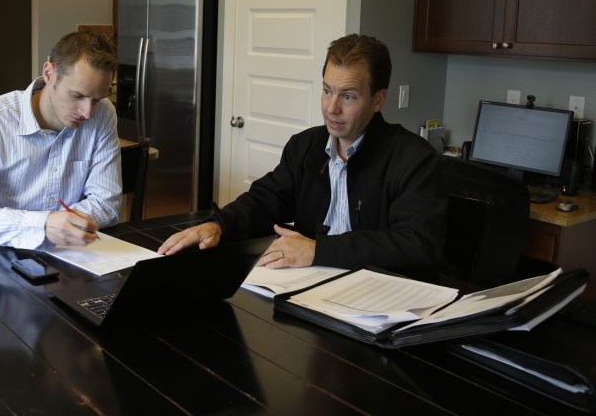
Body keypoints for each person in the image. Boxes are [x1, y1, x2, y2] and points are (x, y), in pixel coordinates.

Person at [158, 34, 446, 276]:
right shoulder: (305, 146)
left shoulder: (413, 159)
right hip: (309, 288)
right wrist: (219, 225)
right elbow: (264, 201)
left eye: (348, 96)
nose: (331, 108)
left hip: (377, 297)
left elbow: (416, 245)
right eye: (326, 91)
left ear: (378, 100)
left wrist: (318, 250)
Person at [0, 31, 121, 249]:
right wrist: (44, 225)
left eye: (96, 99)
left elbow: (107, 203)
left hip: (69, 255)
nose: (87, 113)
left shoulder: (103, 114)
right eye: (77, 96)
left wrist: (62, 227)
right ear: (49, 73)